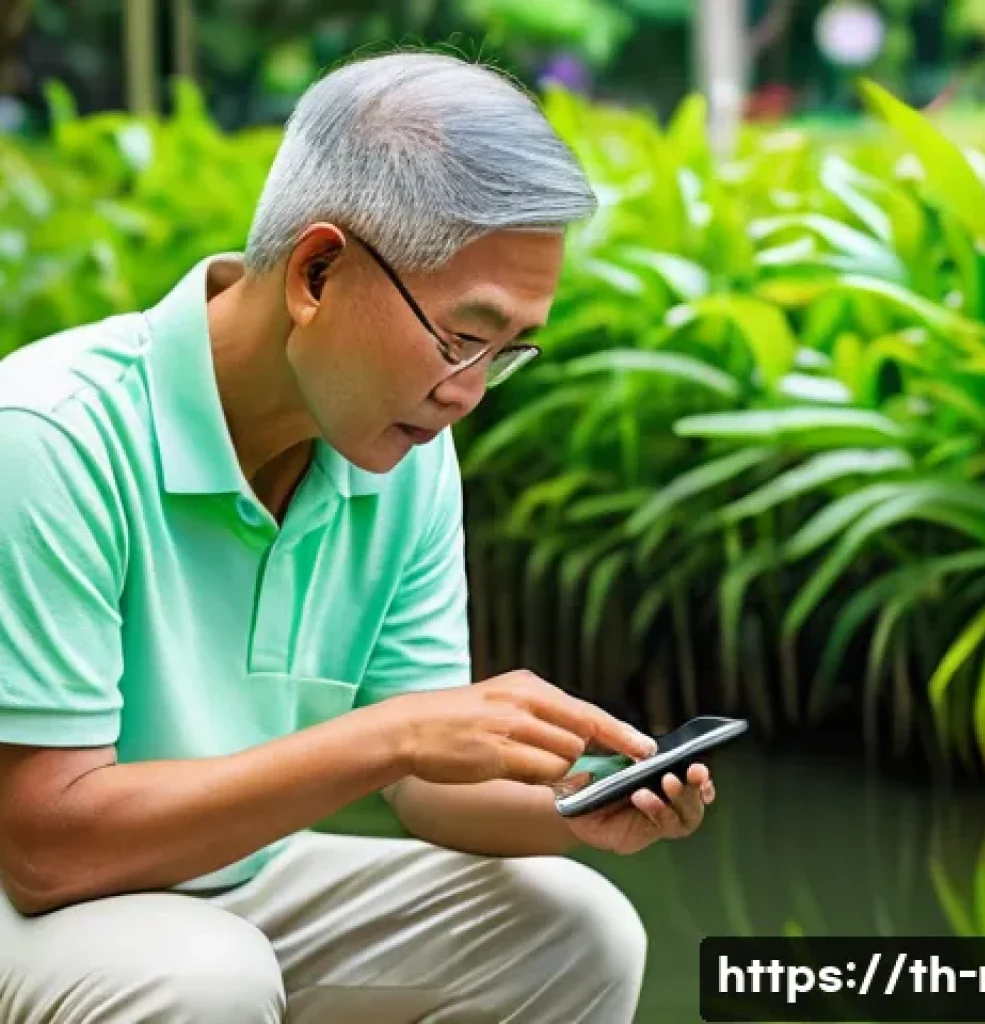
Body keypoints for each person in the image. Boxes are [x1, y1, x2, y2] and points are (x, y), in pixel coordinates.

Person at [0, 50, 716, 1023]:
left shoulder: (402, 451)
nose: (467, 392)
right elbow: (46, 847)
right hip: (27, 896)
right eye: (462, 336)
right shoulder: (46, 435)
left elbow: (428, 787)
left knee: (578, 925)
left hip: (226, 879)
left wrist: (581, 806)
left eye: (507, 353)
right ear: (318, 270)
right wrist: (389, 735)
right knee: (202, 975)